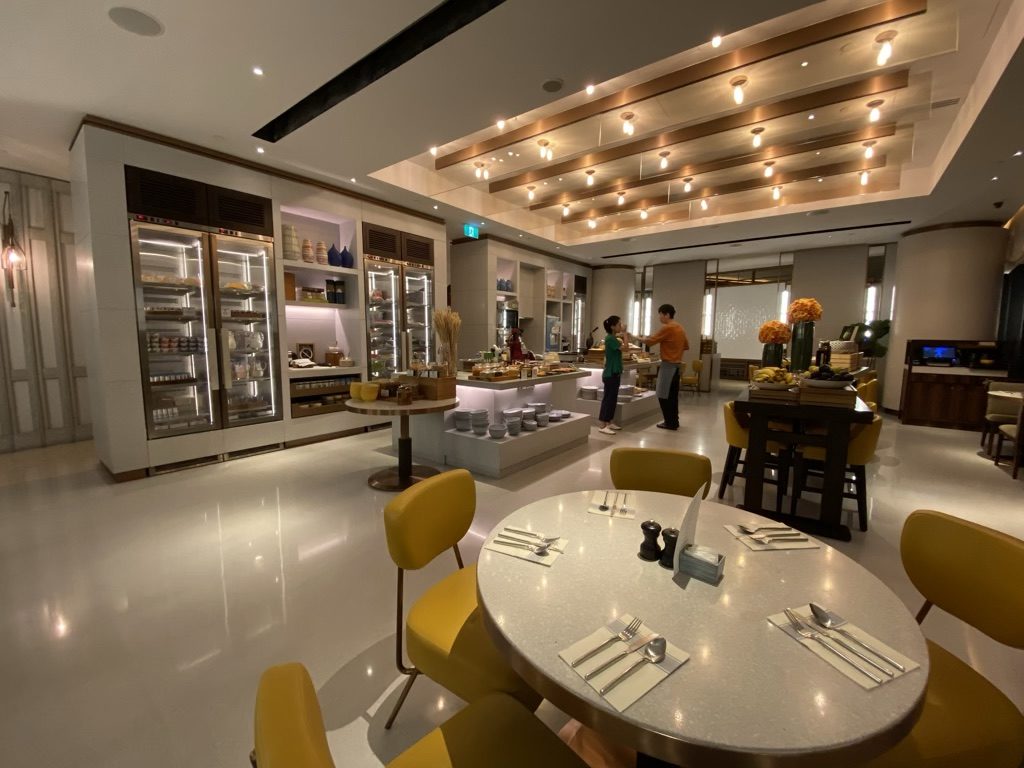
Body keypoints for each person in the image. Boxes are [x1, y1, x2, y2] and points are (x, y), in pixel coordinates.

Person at [638, 303, 689, 430]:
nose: (659, 317)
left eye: (660, 314)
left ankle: (669, 422)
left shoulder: (668, 327)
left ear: (666, 314)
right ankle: (674, 421)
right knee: (672, 396)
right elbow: (686, 346)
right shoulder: (680, 328)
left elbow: (650, 341)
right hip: (677, 366)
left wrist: (635, 337)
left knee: (663, 395)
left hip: (668, 365)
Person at [597, 315, 626, 435]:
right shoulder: (610, 338)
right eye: (619, 324)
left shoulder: (613, 338)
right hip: (610, 373)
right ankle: (603, 424)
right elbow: (626, 348)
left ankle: (609, 422)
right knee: (608, 399)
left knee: (612, 399)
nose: (621, 326)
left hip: (614, 372)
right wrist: (625, 334)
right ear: (613, 327)